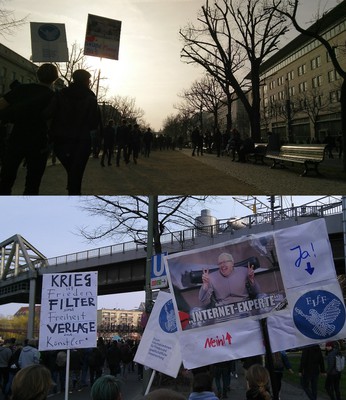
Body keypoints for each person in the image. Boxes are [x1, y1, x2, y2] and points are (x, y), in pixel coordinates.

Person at [0, 63, 58, 194]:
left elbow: (1, 105)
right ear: (55, 78)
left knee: (6, 180)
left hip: (17, 138)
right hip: (39, 142)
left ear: (37, 75)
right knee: (32, 184)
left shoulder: (21, 89)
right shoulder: (54, 97)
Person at [48, 69, 100, 195]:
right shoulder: (90, 98)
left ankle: (72, 188)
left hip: (61, 140)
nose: (89, 82)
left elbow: (49, 114)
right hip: (81, 142)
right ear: (85, 81)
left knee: (71, 169)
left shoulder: (60, 94)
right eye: (88, 79)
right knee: (77, 173)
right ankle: (73, 192)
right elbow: (94, 123)